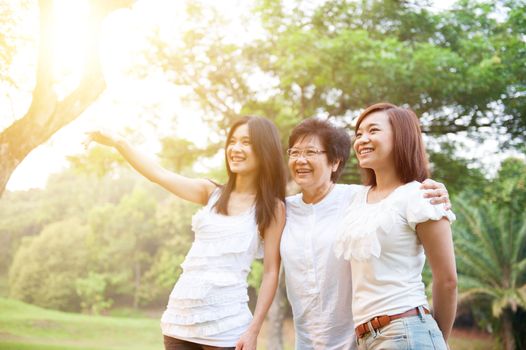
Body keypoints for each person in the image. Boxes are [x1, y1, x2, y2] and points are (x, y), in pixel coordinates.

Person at [85, 116, 287, 350]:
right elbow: (160, 174)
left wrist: (253, 331)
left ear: (264, 150)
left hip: (226, 327)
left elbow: (272, 271)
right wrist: (119, 142)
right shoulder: (210, 192)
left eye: (246, 142)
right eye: (232, 141)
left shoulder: (272, 208)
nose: (236, 148)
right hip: (179, 323)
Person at [280, 117, 451, 350]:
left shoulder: (357, 199)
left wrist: (436, 191)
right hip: (322, 341)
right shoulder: (281, 210)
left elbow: (400, 198)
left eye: (311, 152)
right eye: (294, 152)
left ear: (335, 162)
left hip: (380, 334)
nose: (301, 160)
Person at [335, 103, 457, 350]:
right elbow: (314, 194)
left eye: (373, 131)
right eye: (358, 134)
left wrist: (435, 339)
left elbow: (447, 280)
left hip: (407, 331)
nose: (362, 140)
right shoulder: (357, 198)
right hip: (366, 337)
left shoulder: (420, 195)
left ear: (400, 137)